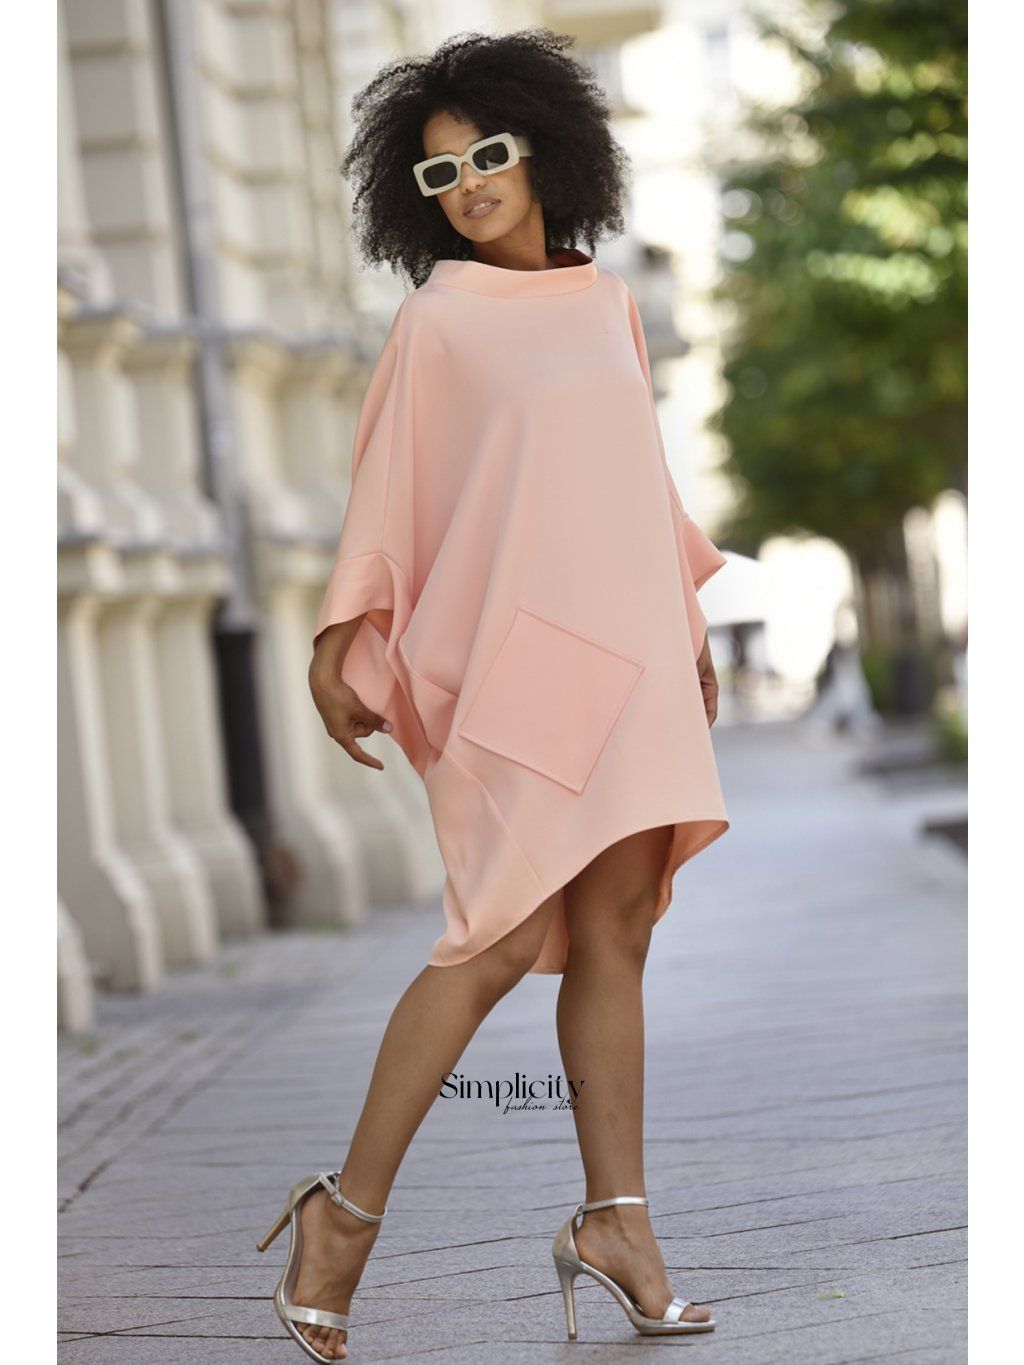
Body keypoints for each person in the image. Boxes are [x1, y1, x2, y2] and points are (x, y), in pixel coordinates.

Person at [258, 29, 731, 1361]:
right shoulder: (438, 322)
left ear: (544, 154)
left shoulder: (608, 301)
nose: (466, 184)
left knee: (619, 929)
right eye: (438, 171)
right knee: (498, 938)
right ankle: (342, 1217)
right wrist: (342, 638)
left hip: (636, 652)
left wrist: (686, 623)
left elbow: (637, 475)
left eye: (487, 156)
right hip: (520, 665)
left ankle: (619, 1225)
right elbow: (388, 493)